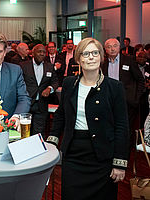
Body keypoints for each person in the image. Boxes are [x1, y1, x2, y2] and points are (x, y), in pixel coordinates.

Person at [47, 38, 129, 200]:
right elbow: (61, 115)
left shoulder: (115, 87)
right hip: (73, 154)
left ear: (101, 57)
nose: (91, 57)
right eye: (85, 53)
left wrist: (119, 162)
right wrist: (51, 142)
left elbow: (122, 126)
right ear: (78, 59)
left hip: (102, 156)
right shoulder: (70, 83)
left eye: (95, 53)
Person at [102, 38, 144, 145]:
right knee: (110, 129)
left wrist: (136, 98)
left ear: (119, 47)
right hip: (109, 102)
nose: (112, 49)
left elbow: (140, 80)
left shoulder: (129, 60)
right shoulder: (102, 63)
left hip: (127, 102)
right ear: (105, 49)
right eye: (109, 47)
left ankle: (124, 156)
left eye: (115, 46)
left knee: (126, 131)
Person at [20, 44, 58, 138]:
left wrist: (50, 88)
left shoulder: (49, 67)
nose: (42, 54)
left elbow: (55, 82)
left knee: (38, 132)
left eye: (44, 52)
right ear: (33, 53)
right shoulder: (23, 66)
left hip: (42, 104)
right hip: (27, 103)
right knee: (24, 132)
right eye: (39, 51)